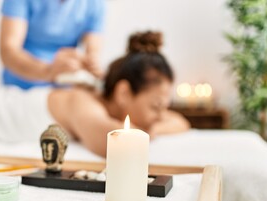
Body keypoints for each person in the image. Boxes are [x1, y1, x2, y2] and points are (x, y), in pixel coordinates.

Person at [47, 31, 190, 156]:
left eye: (164, 107)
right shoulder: (82, 99)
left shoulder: (142, 114)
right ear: (124, 93)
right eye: (155, 106)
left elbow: (181, 122)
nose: (160, 116)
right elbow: (112, 141)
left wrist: (152, 129)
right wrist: (147, 132)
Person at [0, 0, 106, 89]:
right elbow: (9, 51)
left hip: (64, 90)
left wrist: (93, 67)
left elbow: (93, 52)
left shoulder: (95, 3)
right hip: (20, 88)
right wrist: (49, 71)